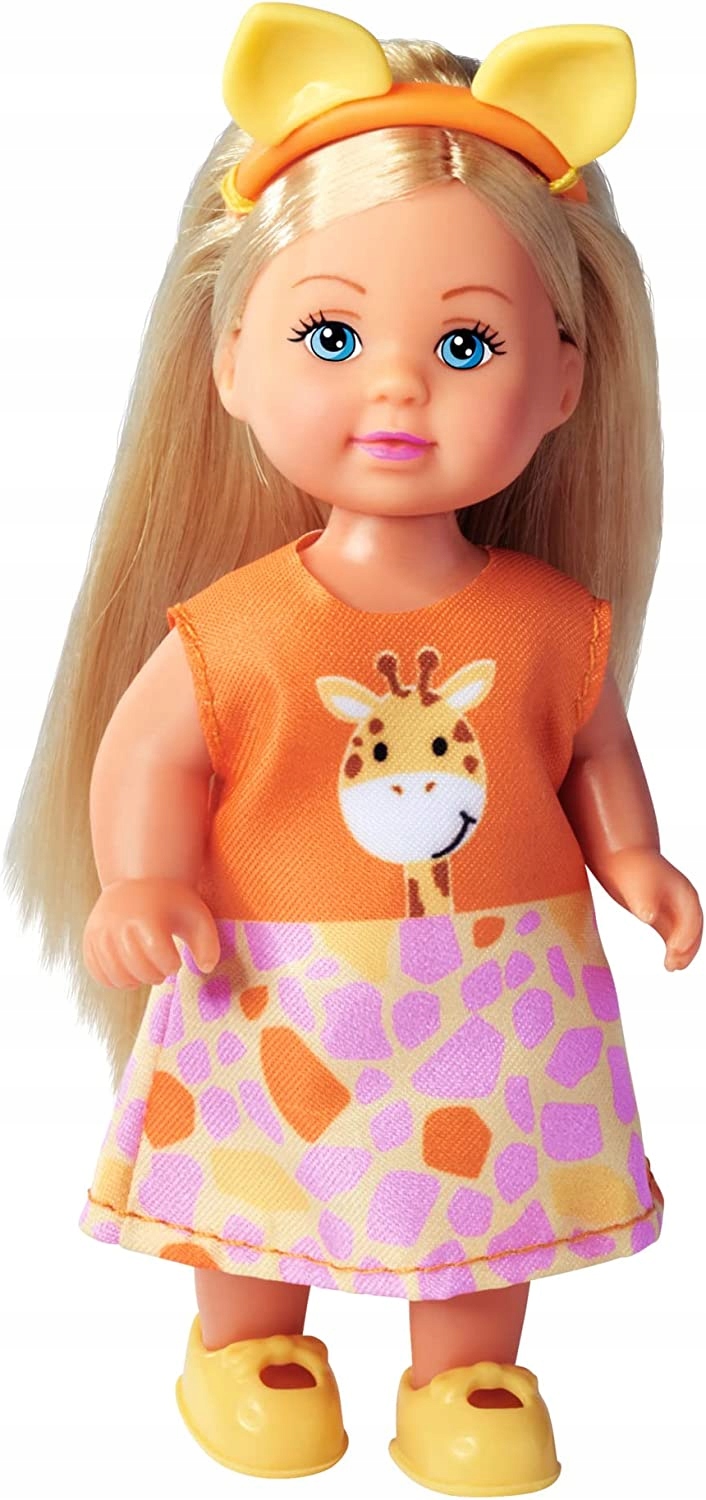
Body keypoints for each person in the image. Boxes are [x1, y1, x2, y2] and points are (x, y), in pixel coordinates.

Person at [6, 5, 702, 1494]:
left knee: (492, 1175)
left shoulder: (548, 618)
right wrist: (140, 878)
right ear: (230, 362)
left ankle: (470, 1369)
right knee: (263, 1157)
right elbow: (151, 759)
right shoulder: (243, 625)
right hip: (278, 978)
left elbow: (588, 748)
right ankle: (247, 1338)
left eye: (466, 344)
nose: (398, 386)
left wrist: (633, 854)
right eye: (331, 335)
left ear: (564, 379)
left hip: (500, 982)